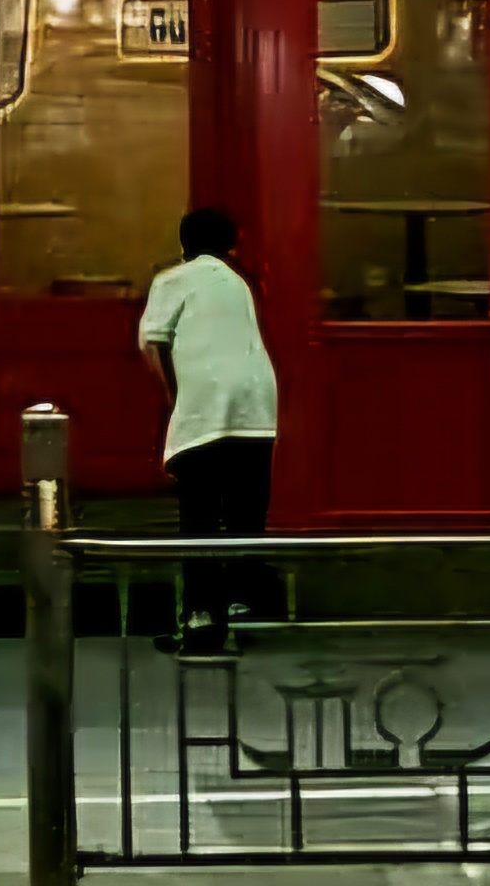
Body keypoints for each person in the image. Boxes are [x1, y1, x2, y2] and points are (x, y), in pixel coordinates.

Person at [136, 203, 280, 649]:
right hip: (257, 405)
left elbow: (152, 342)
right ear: (232, 244)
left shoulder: (173, 279)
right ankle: (245, 609)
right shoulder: (239, 282)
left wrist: (174, 398)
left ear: (184, 244)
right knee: (245, 513)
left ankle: (201, 619)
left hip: (207, 405)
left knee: (199, 514)